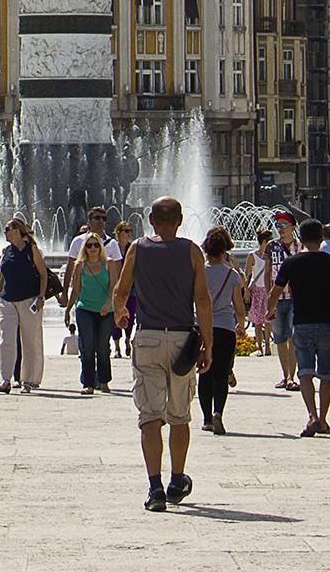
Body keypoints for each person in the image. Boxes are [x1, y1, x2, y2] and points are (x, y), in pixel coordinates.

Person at [110, 196, 211, 512]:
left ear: (151, 220)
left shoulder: (138, 249)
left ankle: (154, 489)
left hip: (148, 339)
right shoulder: (193, 251)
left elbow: (121, 291)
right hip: (182, 339)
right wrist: (207, 343)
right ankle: (176, 480)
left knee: (150, 417)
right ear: (180, 221)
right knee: (180, 416)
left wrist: (119, 313)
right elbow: (203, 301)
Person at [273, 218, 330, 438]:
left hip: (301, 323)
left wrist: (269, 310)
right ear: (321, 238)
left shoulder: (291, 263)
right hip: (326, 324)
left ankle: (311, 415)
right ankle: (323, 419)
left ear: (300, 238)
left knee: (305, 373)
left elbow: (275, 291)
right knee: (326, 375)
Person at [197, 227, 247, 434]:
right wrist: (242, 323)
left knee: (204, 373)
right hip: (225, 327)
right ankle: (218, 412)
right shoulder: (232, 274)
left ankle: (207, 419)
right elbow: (238, 305)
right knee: (221, 372)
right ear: (223, 250)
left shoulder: (199, 272)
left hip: (202, 327)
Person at [0, 217, 49, 394]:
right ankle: (5, 379)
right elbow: (1, 277)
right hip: (7, 300)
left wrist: (41, 297)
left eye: (7, 228)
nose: (5, 232)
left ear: (17, 231)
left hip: (29, 299)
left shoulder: (31, 250)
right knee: (6, 339)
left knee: (30, 340)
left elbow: (43, 274)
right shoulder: (6, 251)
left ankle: (28, 380)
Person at [67, 232, 116, 393]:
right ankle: (88, 383)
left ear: (100, 247)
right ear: (85, 248)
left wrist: (108, 304)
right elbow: (76, 289)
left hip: (105, 311)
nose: (93, 248)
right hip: (84, 309)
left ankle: (104, 381)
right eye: (89, 245)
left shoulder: (109, 263)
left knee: (102, 346)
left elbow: (114, 287)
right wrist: (68, 310)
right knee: (87, 346)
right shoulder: (80, 265)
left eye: (96, 245)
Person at [265, 212, 303, 388]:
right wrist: (268, 296)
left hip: (295, 297)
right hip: (277, 299)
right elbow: (267, 272)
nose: (280, 229)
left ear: (293, 228)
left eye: (284, 225)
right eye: (278, 226)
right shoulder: (272, 246)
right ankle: (285, 374)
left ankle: (291, 377)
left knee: (293, 338)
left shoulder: (300, 246)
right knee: (280, 338)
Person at [64, 205, 125, 304]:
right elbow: (70, 267)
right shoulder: (78, 241)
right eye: (97, 218)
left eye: (104, 218)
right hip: (84, 295)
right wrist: (65, 292)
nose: (101, 221)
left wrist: (117, 296)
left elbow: (118, 271)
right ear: (89, 221)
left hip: (105, 296)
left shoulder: (112, 243)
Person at [248, 228, 276, 355]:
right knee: (257, 321)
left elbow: (271, 274)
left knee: (268, 320)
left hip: (267, 290)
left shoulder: (269, 256)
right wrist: (245, 289)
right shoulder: (252, 255)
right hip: (257, 290)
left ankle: (268, 346)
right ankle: (259, 346)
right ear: (264, 242)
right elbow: (247, 273)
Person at [111, 221, 137, 355]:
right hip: (115, 285)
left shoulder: (132, 247)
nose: (128, 234)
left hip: (131, 286)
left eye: (129, 231)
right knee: (116, 313)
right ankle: (116, 347)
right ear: (118, 232)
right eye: (126, 231)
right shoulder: (111, 246)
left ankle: (127, 339)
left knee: (130, 313)